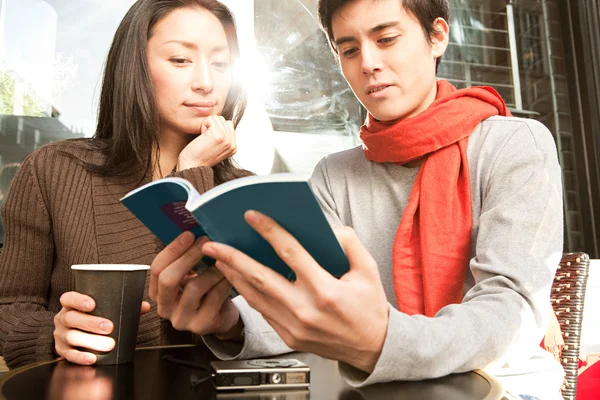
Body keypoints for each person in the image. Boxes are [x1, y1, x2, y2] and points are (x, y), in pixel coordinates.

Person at [150, 0, 566, 399]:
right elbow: (310, 301)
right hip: (377, 386)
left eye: (386, 39)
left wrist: (381, 342)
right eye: (349, 49)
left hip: (507, 385)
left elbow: (509, 309)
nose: (367, 63)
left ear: (436, 36)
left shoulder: (514, 144)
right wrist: (231, 322)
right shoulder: (334, 174)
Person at [0, 0, 251, 368]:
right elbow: (9, 309)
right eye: (180, 60)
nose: (206, 83)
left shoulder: (245, 192)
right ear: (134, 67)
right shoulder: (53, 170)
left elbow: (258, 326)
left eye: (220, 64)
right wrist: (53, 334)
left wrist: (192, 170)